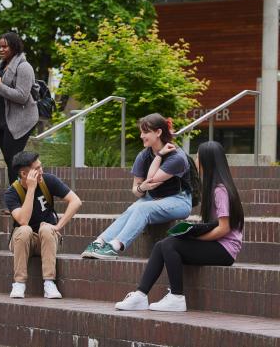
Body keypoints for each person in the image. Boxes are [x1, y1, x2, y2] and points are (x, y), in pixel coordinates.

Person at [115, 141, 244, 312]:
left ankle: (176, 297)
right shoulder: (215, 187)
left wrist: (196, 237)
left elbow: (224, 228)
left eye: (198, 157)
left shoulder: (220, 190)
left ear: (207, 161)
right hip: (218, 245)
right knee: (163, 244)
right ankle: (140, 295)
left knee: (170, 244)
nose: (196, 161)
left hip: (225, 250)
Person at [81, 113, 192, 260]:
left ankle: (115, 246)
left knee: (141, 208)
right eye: (141, 132)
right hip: (153, 199)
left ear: (158, 132)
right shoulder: (143, 156)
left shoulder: (176, 157)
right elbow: (137, 191)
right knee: (132, 208)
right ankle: (99, 242)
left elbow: (151, 179)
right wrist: (142, 188)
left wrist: (159, 156)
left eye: (145, 132)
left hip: (179, 201)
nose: (141, 136)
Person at [5, 151, 82, 299]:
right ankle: (19, 283)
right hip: (23, 241)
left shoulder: (48, 181)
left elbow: (76, 201)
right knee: (24, 230)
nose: (42, 171)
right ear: (24, 173)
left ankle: (49, 283)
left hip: (46, 239)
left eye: (41, 166)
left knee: (46, 228)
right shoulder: (11, 193)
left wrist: (58, 226)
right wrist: (31, 189)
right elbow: (23, 221)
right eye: (37, 168)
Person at [0, 32, 39, 187]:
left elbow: (21, 96)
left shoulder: (24, 67)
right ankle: (19, 198)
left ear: (14, 47)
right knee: (10, 160)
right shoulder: (0, 67)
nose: (1, 49)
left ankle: (19, 200)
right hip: (1, 121)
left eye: (4, 46)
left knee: (14, 161)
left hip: (19, 121)